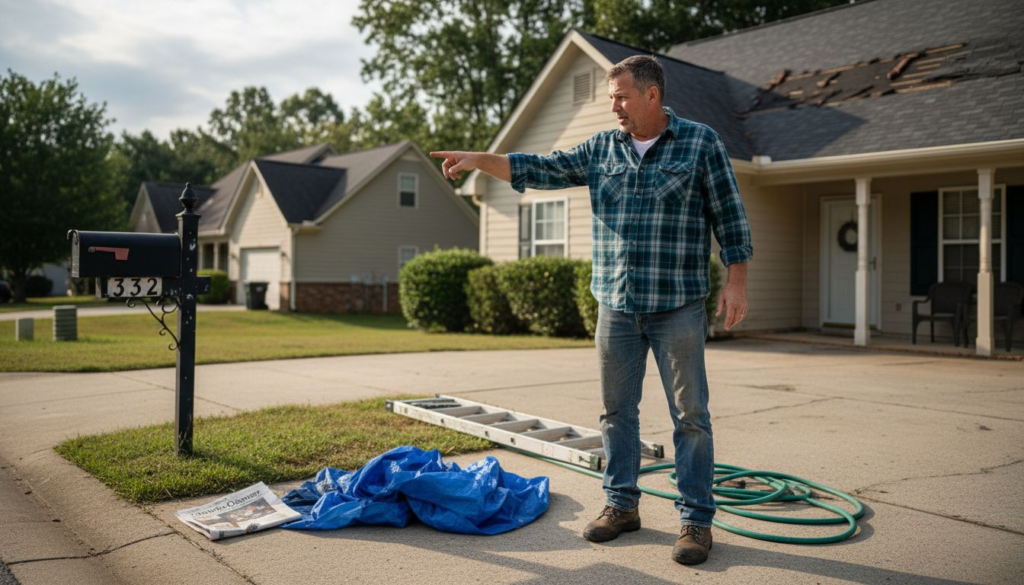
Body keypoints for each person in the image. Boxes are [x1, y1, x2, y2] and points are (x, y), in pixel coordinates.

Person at [431, 55, 752, 566]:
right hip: (617, 305)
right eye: (610, 98)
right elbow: (541, 168)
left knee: (691, 416)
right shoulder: (602, 148)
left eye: (622, 96)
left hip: (678, 306)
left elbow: (730, 217)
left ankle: (695, 521)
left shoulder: (700, 142)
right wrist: (479, 158)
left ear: (652, 94)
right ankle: (622, 506)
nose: (614, 106)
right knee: (616, 413)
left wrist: (735, 282)